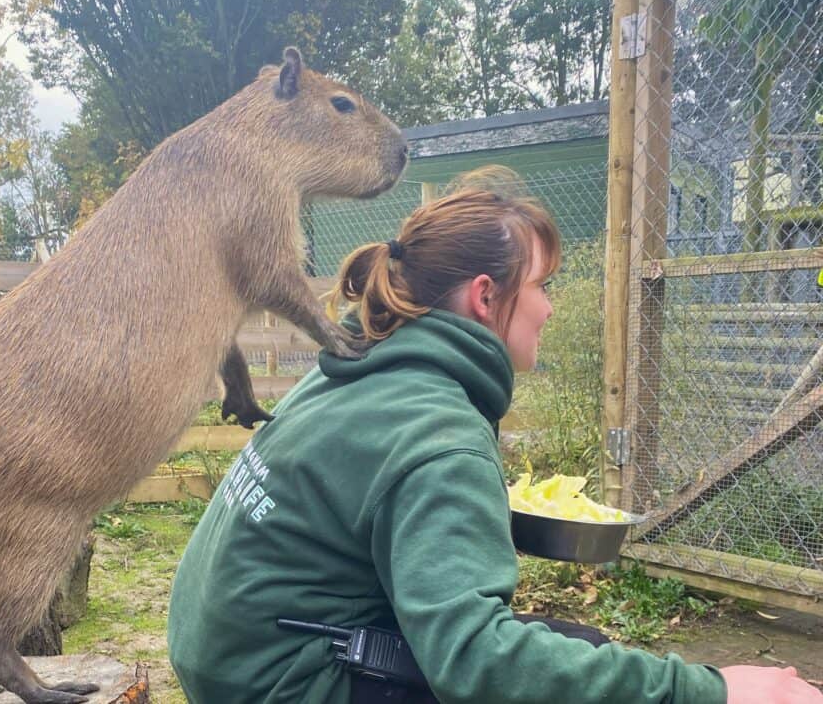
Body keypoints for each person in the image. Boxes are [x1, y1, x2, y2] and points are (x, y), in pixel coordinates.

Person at [167, 166, 823, 704]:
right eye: (542, 285)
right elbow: (477, 663)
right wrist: (715, 692)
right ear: (486, 297)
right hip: (282, 681)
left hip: (226, 647)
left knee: (579, 654)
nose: (550, 306)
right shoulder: (437, 433)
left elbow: (368, 505)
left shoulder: (361, 366)